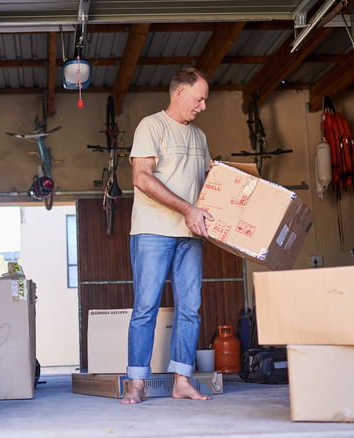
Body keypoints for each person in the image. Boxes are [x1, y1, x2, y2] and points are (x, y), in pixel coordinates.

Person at [121, 68, 214, 404]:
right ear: (180, 93)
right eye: (199, 98)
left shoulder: (200, 137)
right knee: (146, 307)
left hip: (191, 234)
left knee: (190, 308)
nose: (203, 106)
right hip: (152, 231)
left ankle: (182, 381)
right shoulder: (152, 126)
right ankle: (137, 384)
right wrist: (187, 209)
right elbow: (141, 178)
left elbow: (207, 185)